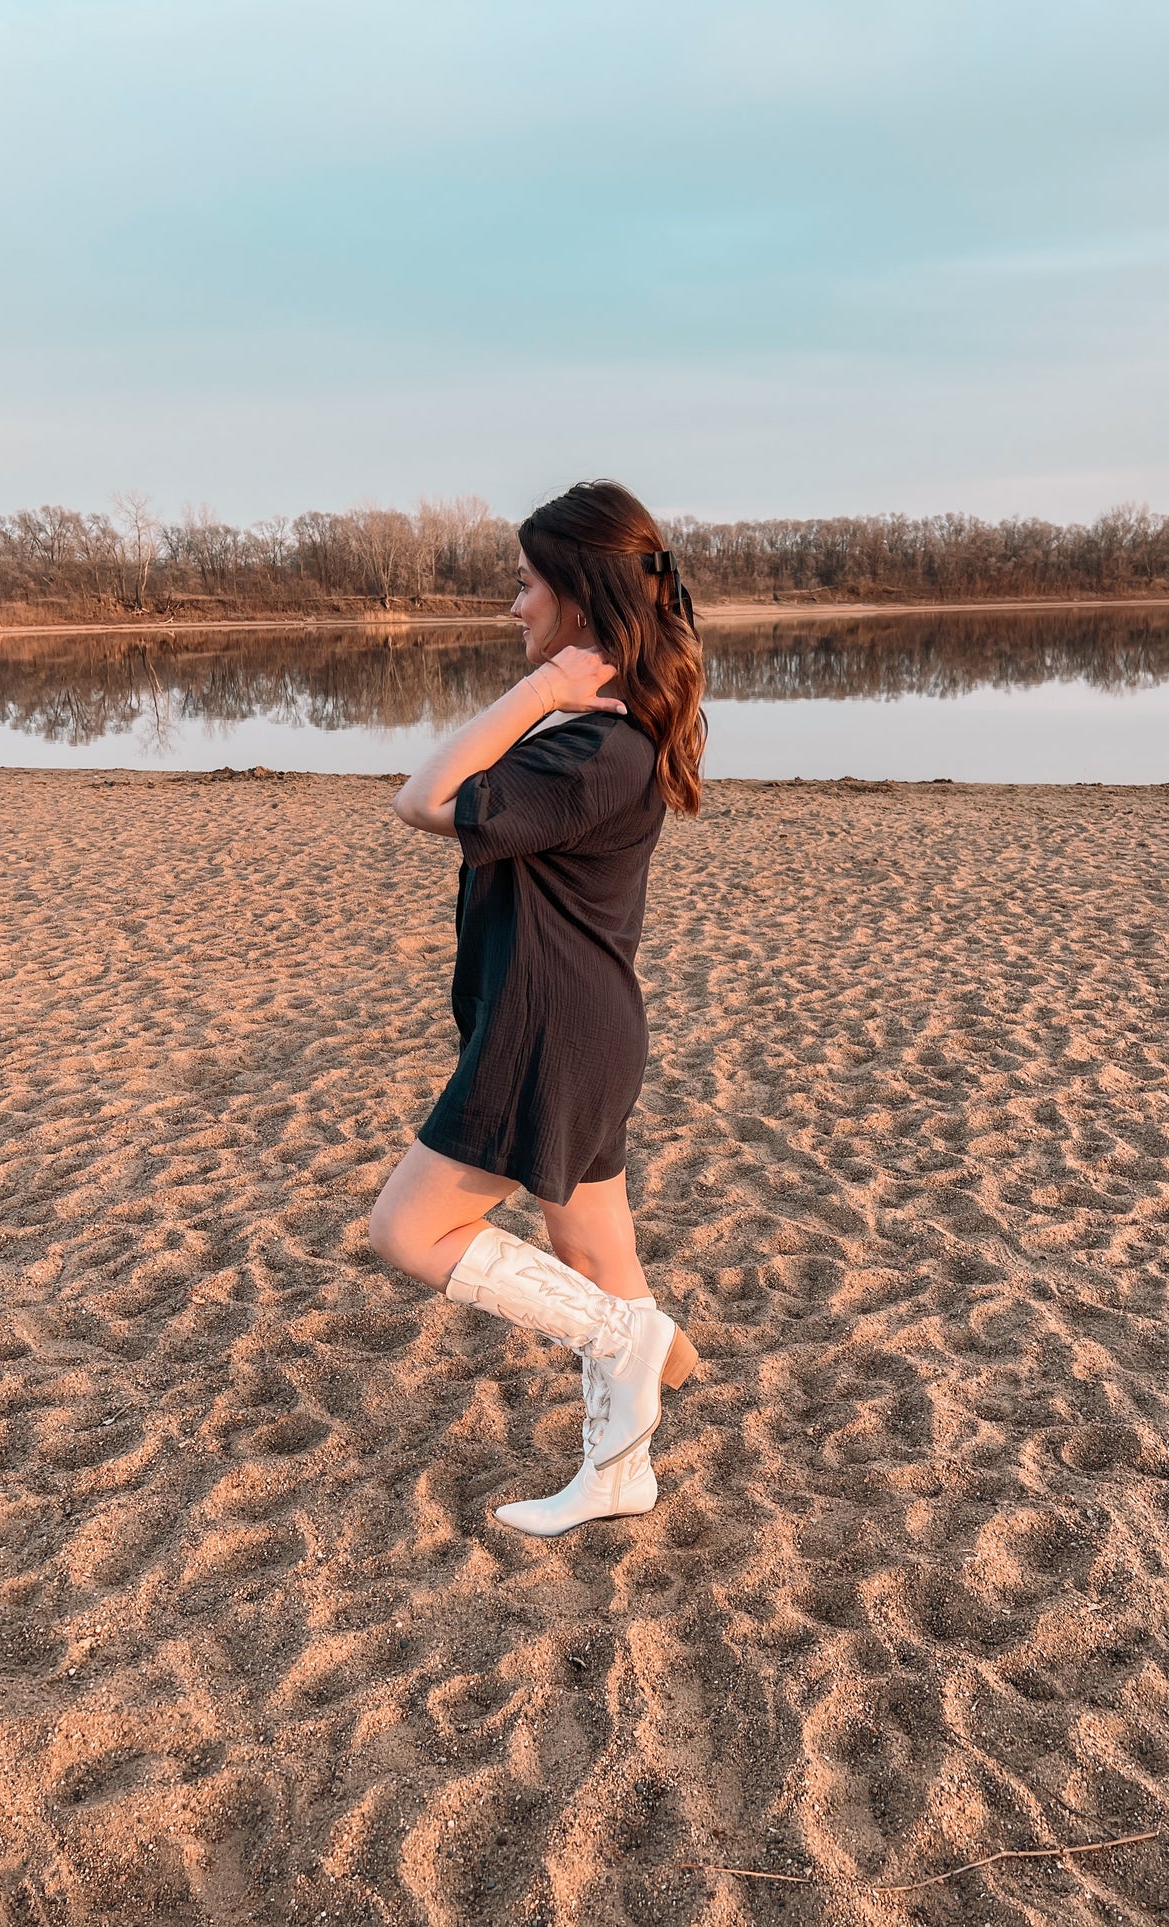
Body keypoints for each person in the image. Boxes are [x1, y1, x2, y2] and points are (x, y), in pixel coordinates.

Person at [368, 479, 708, 1537]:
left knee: (410, 1228)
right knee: (600, 1263)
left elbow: (421, 798)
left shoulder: (589, 747)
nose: (512, 608)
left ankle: (625, 1348)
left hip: (550, 1034)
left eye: (524, 587)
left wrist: (540, 693)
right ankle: (624, 1463)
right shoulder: (613, 740)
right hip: (586, 1027)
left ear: (576, 599)